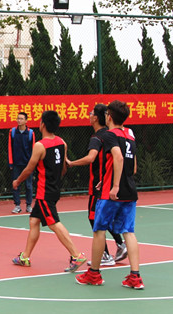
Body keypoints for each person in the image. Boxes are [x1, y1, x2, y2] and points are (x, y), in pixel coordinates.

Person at [76, 100, 143, 289]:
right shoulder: (130, 134)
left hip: (111, 193)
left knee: (99, 230)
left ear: (109, 117)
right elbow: (133, 167)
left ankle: (94, 274)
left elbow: (118, 157)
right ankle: (135, 276)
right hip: (130, 190)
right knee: (129, 232)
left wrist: (114, 185)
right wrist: (108, 178)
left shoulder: (109, 135)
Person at [11, 110, 86, 272]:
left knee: (53, 223)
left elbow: (29, 169)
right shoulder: (62, 142)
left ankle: (76, 255)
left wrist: (17, 181)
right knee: (34, 221)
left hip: (44, 192)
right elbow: (64, 168)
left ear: (43, 124)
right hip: (54, 189)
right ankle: (25, 257)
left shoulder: (40, 146)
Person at [65, 103, 125, 266]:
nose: (89, 115)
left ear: (96, 118)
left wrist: (71, 163)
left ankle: (105, 254)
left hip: (98, 185)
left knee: (94, 218)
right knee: (105, 216)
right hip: (107, 181)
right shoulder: (111, 134)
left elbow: (91, 157)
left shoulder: (97, 138)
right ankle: (120, 244)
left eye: (91, 113)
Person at [8, 112, 35, 214]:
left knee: (28, 185)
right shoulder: (12, 132)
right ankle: (17, 205)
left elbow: (33, 149)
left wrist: (32, 164)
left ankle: (29, 205)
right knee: (16, 184)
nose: (19, 120)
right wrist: (11, 162)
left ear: (26, 121)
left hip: (28, 164)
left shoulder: (31, 133)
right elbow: (10, 147)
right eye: (18, 118)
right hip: (16, 164)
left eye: (21, 119)